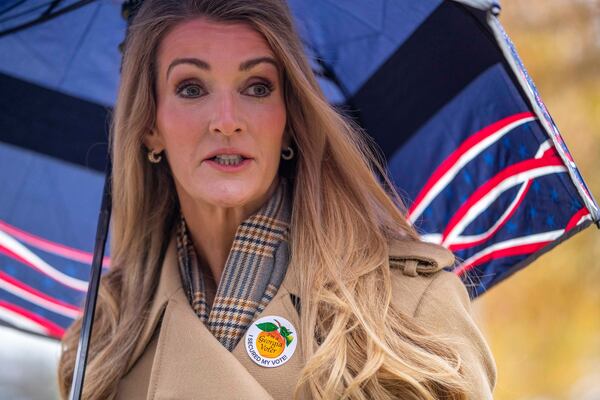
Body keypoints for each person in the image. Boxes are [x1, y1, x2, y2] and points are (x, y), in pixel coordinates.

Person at [57, 0, 496, 399]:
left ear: (288, 120)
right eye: (191, 88)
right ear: (151, 126)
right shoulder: (102, 345)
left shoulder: (406, 311)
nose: (227, 122)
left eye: (257, 87)